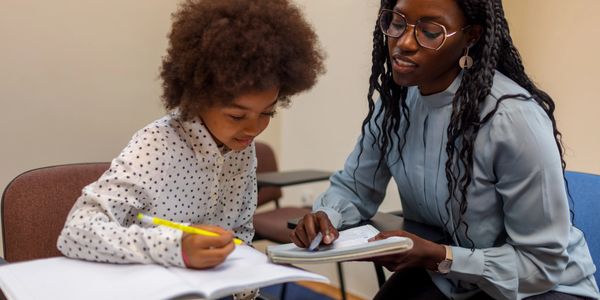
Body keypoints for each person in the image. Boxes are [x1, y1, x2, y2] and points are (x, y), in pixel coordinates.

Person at [290, 0, 599, 299]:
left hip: (541, 288)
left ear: (471, 36)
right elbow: (355, 188)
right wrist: (325, 215)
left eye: (430, 32)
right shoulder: (396, 105)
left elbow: (541, 264)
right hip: (450, 278)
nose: (405, 42)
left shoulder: (512, 121)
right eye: (397, 24)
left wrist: (442, 257)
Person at [57, 0, 323, 298]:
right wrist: (176, 248)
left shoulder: (240, 148)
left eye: (267, 113)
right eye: (236, 115)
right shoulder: (157, 145)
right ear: (198, 94)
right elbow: (76, 232)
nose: (253, 129)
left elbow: (240, 233)